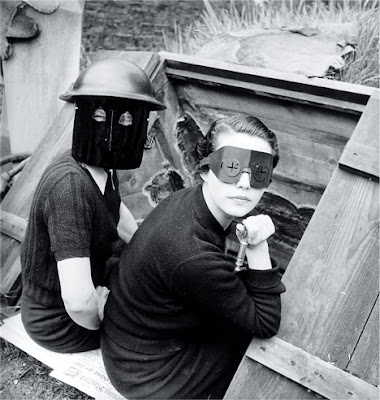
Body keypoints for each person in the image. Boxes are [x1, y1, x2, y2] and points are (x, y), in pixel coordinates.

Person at [101, 114, 286, 399]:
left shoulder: (192, 201)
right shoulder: (191, 252)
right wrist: (259, 245)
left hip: (132, 344)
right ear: (204, 170)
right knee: (262, 346)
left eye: (259, 171)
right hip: (150, 373)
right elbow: (265, 323)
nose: (245, 184)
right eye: (231, 167)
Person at [20, 58, 166, 353]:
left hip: (88, 286)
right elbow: (77, 301)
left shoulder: (103, 165)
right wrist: (106, 316)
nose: (117, 130)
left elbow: (116, 211)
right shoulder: (69, 186)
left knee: (153, 285)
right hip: (58, 320)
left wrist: (147, 254)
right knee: (156, 321)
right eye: (100, 117)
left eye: (129, 120)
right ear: (84, 117)